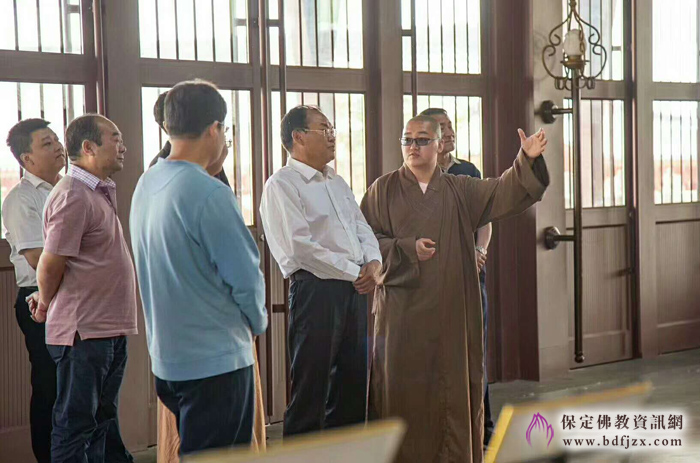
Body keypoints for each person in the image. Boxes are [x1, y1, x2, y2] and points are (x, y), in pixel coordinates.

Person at [360, 115, 549, 463]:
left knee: (451, 391)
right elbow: (366, 240)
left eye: (422, 140)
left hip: (450, 311)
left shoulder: (460, 189)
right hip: (401, 316)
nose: (413, 146)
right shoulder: (382, 189)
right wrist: (406, 248)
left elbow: (503, 191)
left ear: (439, 145)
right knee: (402, 392)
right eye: (407, 140)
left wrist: (526, 158)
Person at [130, 80, 267, 456]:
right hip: (216, 363)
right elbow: (246, 279)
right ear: (214, 129)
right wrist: (256, 324)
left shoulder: (148, 182)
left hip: (169, 361)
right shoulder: (208, 192)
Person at [259, 105, 382, 436]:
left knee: (353, 386)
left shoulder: (336, 181)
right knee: (310, 392)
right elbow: (300, 248)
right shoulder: (282, 185)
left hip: (355, 289)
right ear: (298, 137)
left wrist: (374, 262)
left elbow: (361, 227)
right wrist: (355, 271)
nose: (332, 137)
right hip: (316, 291)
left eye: (332, 130)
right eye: (324, 129)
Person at [30, 114, 137, 463]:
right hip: (83, 333)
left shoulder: (96, 191)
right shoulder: (73, 194)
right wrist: (44, 304)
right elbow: (50, 262)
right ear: (88, 147)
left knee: (102, 422)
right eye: (115, 138)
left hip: (107, 329)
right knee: (75, 426)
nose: (123, 147)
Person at [419, 107, 495, 446]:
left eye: (450, 125)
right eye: (441, 127)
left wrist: (480, 251)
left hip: (470, 273)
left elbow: (485, 219)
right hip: (432, 277)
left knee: (474, 348)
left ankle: (483, 428)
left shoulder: (468, 171)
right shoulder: (417, 173)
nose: (449, 131)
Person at [3, 119, 64, 463]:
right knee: (49, 386)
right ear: (27, 158)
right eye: (47, 143)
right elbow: (39, 259)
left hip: (72, 295)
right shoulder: (21, 198)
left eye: (56, 139)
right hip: (37, 298)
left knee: (74, 387)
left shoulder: (68, 188)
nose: (58, 146)